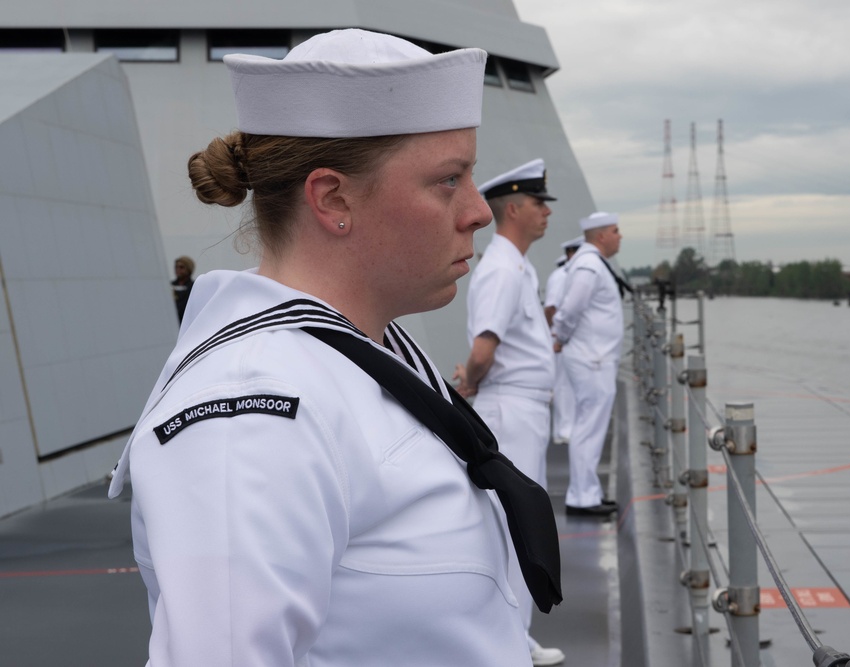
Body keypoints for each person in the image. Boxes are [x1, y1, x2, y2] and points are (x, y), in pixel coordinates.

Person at [107, 29, 561, 666]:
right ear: (332, 198)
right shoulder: (252, 410)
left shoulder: (368, 350)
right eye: (448, 180)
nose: (478, 211)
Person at [453, 158, 564, 666]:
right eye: (539, 203)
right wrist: (470, 384)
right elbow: (483, 350)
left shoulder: (517, 265)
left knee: (519, 522)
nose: (546, 212)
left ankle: (516, 637)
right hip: (511, 408)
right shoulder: (501, 268)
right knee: (517, 524)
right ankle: (510, 643)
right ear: (514, 208)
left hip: (524, 407)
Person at [551, 212, 625, 516]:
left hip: (597, 358)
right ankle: (582, 498)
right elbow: (569, 310)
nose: (620, 236)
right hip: (592, 359)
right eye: (615, 230)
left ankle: (588, 491)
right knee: (588, 428)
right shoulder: (590, 265)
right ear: (601, 236)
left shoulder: (590, 263)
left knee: (590, 427)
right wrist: (560, 336)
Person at [543, 235, 583, 446]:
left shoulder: (569, 274)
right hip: (560, 340)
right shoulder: (561, 276)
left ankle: (566, 428)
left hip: (566, 340)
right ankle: (564, 430)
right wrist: (556, 336)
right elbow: (551, 308)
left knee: (568, 386)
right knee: (564, 386)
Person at [171, 255, 195, 323]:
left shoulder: (194, 287)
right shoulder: (170, 286)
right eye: (176, 267)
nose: (178, 269)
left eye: (181, 267)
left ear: (188, 269)